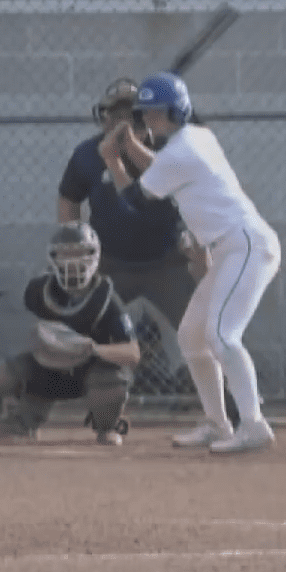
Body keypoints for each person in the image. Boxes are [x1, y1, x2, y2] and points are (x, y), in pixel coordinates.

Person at [101, 72, 280, 454]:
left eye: (154, 113)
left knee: (221, 335)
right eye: (145, 113)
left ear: (174, 111)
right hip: (232, 247)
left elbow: (134, 201)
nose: (148, 120)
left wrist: (114, 158)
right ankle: (218, 424)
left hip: (244, 245)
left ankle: (254, 425)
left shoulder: (182, 151)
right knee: (191, 337)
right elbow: (162, 169)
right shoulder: (198, 137)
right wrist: (131, 144)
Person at [59, 77, 238, 418]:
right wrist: (74, 243)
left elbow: (179, 196)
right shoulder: (87, 154)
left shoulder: (168, 150)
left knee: (201, 329)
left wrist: (196, 246)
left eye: (131, 113)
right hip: (110, 261)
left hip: (164, 260)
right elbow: (69, 198)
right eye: (114, 113)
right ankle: (59, 398)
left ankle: (229, 405)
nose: (121, 120)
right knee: (77, 327)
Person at [0, 222, 139, 445]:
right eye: (66, 253)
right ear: (53, 256)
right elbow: (28, 338)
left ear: (94, 256)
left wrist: (93, 348)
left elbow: (132, 354)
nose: (73, 261)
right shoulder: (40, 291)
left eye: (80, 253)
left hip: (91, 370)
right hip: (49, 367)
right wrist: (43, 344)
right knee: (0, 375)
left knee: (112, 380)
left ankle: (107, 426)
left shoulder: (106, 299)